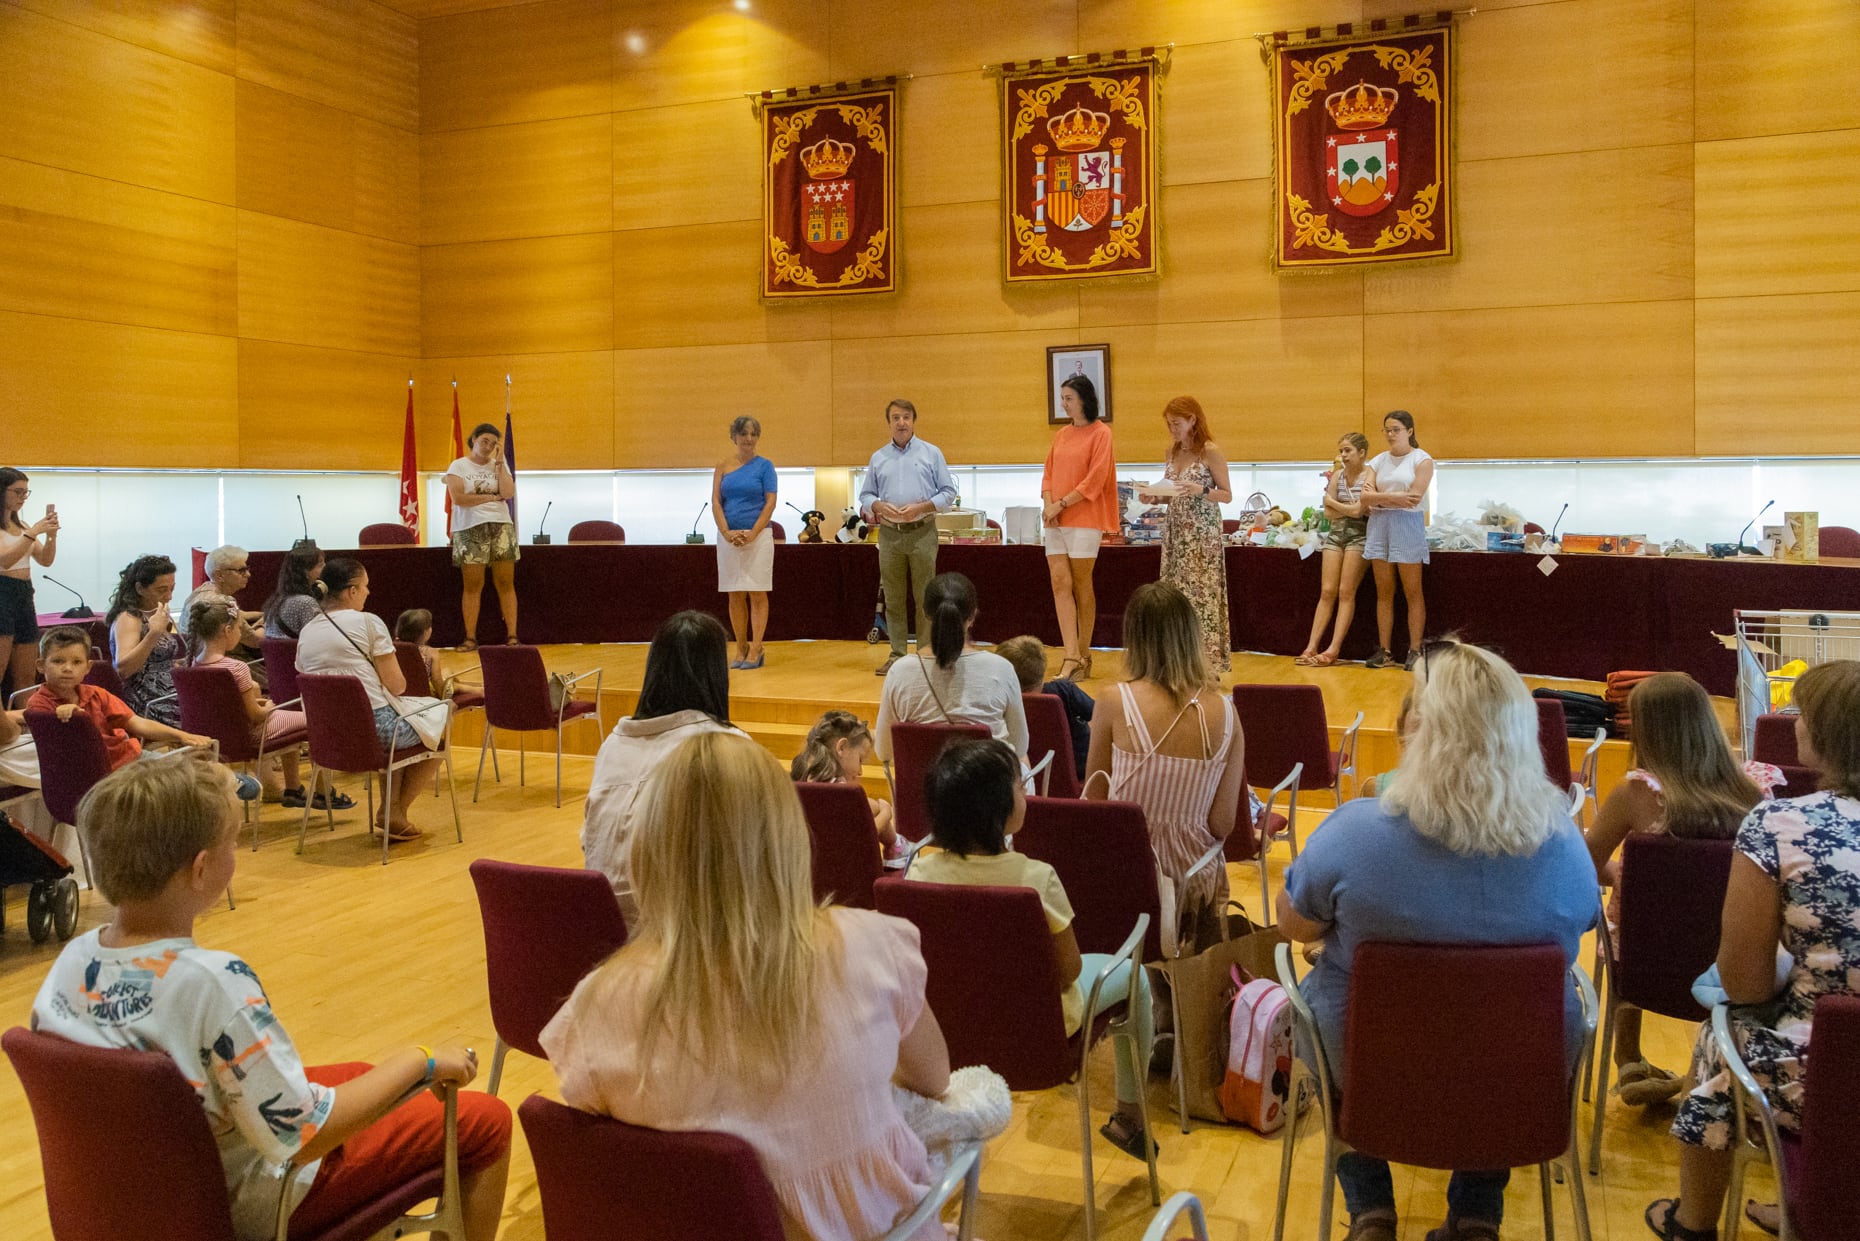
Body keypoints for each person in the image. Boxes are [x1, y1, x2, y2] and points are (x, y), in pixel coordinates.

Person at [30, 753, 510, 1241]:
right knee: (486, 1122)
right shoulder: (213, 982)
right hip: (241, 1198)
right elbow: (302, 1137)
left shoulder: (70, 964)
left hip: (126, 1201)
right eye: (232, 844)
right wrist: (422, 1060)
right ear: (201, 870)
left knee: (362, 1077)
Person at [543, 730, 953, 1241]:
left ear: (648, 846)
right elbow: (935, 1080)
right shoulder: (872, 946)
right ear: (788, 835)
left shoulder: (598, 1001)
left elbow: (604, 1156)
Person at [1275, 640, 1596, 1241]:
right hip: (1520, 1076)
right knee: (1503, 1019)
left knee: (1322, 998)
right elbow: (1580, 928)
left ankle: (1370, 1208)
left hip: (1369, 1069)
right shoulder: (1563, 841)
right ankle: (1478, 1213)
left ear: (1419, 733)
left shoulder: (1354, 832)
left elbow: (1293, 927)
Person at [1645, 660, 1860, 1241]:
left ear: (1830, 736)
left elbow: (1743, 982)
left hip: (1825, 1079)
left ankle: (1693, 1223)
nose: (1795, 725)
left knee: (1722, 1031)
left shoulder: (1782, 822)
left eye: (1804, 715)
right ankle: (1797, 1201)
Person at [907, 737, 1156, 1160]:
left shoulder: (918, 872)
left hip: (950, 1029)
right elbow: (1069, 971)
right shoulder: (1035, 878)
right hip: (1039, 1034)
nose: (1026, 793)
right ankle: (1129, 1116)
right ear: (998, 807)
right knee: (1138, 975)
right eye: (1020, 787)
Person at [1584, 672, 1782, 1106]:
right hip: (1735, 970)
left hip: (1645, 969)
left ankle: (1629, 1060)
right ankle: (1724, 1069)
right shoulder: (1757, 792)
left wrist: (1623, 875)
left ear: (1647, 730)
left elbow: (1584, 863)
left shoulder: (1636, 793)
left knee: (1628, 927)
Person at [1082, 582, 1245, 948]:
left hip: (1126, 878)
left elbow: (1094, 802)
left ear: (1133, 638)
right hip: (1194, 888)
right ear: (1192, 635)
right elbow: (1223, 824)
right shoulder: (1228, 714)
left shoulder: (1112, 701)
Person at [582, 610, 746, 931]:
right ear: (716, 674)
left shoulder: (612, 746)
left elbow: (591, 843)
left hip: (599, 936)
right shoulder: (727, 746)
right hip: (680, 943)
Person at [294, 558, 440, 841]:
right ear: (350, 591)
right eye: (365, 587)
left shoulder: (308, 629)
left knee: (401, 721)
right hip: (375, 731)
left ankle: (392, 810)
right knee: (441, 720)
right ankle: (393, 810)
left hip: (324, 734)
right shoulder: (369, 623)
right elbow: (397, 686)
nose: (368, 593)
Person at [874, 573, 1028, 764]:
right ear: (973, 616)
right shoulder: (1001, 669)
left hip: (925, 792)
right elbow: (1020, 745)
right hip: (989, 790)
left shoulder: (900, 671)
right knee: (1023, 761)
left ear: (926, 614)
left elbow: (884, 752)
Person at [859, 399, 958, 676]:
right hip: (890, 534)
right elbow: (866, 495)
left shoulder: (931, 453)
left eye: (906, 417)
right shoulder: (878, 457)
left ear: (914, 420)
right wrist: (877, 506)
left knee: (925, 595)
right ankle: (898, 654)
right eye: (895, 418)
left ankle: (926, 654)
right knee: (893, 597)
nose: (901, 422)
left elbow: (948, 492)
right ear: (888, 423)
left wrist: (922, 506)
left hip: (922, 531)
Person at [27, 626, 207, 770]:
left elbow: (136, 723)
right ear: (41, 666)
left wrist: (182, 735)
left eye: (76, 662)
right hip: (100, 772)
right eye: (58, 661)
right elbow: (61, 752)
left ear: (88, 667)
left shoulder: (97, 694)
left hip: (132, 758)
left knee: (197, 773)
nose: (67, 668)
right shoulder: (39, 704)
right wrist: (72, 720)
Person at [190, 597, 310, 808]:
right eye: (238, 628)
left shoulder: (193, 664)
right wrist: (270, 706)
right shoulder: (236, 668)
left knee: (287, 716)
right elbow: (256, 716)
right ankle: (316, 791)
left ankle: (293, 788)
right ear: (228, 631)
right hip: (250, 735)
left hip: (215, 735)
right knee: (312, 718)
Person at [1143, 396, 1232, 675]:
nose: (1173, 430)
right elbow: (1173, 494)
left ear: (1193, 420)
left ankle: (1207, 664)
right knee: (1174, 596)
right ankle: (1177, 661)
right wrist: (1154, 497)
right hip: (1175, 533)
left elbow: (1227, 496)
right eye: (1169, 425)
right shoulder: (1171, 452)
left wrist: (1201, 490)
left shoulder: (1209, 452)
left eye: (1177, 424)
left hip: (1201, 534)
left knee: (1201, 597)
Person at [1041, 375, 1118, 682]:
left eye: (1069, 397)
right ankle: (1070, 654)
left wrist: (1061, 504)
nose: (1064, 403)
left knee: (1081, 583)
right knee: (1059, 583)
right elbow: (1047, 474)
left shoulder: (1102, 434)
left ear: (1084, 399)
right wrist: (1049, 505)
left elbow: (1095, 480)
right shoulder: (1061, 435)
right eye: (1063, 398)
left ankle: (1084, 654)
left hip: (1084, 518)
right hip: (1056, 519)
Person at [1361, 410, 1434, 670]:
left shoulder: (1422, 460)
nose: (1391, 435)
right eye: (1387, 430)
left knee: (1412, 591)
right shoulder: (1379, 461)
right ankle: (1385, 650)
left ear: (1409, 431)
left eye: (1396, 430)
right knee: (1384, 591)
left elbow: (1414, 498)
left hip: (1407, 525)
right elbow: (1364, 497)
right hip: (1380, 525)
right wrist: (1395, 499)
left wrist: (1380, 499)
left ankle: (1414, 650)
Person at [1297, 432, 1373, 667]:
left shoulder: (1370, 475)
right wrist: (1346, 508)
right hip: (1336, 535)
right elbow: (1328, 513)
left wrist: (1336, 504)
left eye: (1348, 451)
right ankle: (1311, 646)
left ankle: (1333, 648)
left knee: (1345, 590)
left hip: (1360, 535)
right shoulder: (1338, 476)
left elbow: (1360, 511)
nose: (1343, 455)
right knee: (1327, 590)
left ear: (1362, 453)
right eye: (1341, 451)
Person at [444, 423, 519, 651]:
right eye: (484, 441)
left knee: (505, 582)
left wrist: (499, 466)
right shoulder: (458, 465)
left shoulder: (499, 465)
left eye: (493, 443)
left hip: (501, 526)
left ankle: (513, 635)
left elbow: (507, 493)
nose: (488, 446)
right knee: (473, 584)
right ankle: (470, 638)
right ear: (474, 439)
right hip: (470, 528)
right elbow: (459, 498)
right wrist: (489, 497)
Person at [712, 415, 778, 670]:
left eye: (753, 434)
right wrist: (727, 531)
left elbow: (770, 502)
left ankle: (757, 647)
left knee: (757, 591)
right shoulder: (722, 466)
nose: (749, 439)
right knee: (735, 593)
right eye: (744, 434)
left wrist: (752, 533)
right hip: (729, 537)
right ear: (734, 437)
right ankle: (740, 646)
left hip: (758, 537)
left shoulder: (765, 466)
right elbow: (717, 501)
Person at [790, 709, 897, 859]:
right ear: (841, 747)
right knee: (875, 807)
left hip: (807, 865)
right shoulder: (839, 792)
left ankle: (896, 846)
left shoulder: (802, 775)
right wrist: (886, 813)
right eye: (860, 760)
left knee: (871, 805)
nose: (860, 771)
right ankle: (896, 846)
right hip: (839, 864)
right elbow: (863, 837)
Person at [996, 634, 1093, 779]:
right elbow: (1098, 713)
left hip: (1021, 775)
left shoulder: (997, 700)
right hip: (1078, 773)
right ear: (1042, 669)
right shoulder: (1063, 691)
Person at [107, 554, 186, 726]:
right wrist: (154, 633)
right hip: (148, 698)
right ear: (140, 588)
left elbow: (156, 661)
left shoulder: (156, 613)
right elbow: (123, 669)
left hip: (168, 691)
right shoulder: (130, 618)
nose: (169, 596)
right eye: (161, 590)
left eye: (172, 588)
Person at [0, 467, 58, 701]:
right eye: (18, 492)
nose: (23, 498)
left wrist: (51, 535)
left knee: (26, 674)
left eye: (26, 493)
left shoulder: (22, 526)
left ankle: (26, 724)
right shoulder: (27, 532)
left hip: (24, 594)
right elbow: (5, 560)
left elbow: (45, 560)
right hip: (2, 593)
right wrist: (34, 532)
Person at [181, 546, 267, 684]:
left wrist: (261, 613)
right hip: (226, 669)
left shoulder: (200, 592)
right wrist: (266, 621)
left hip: (198, 664)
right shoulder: (225, 603)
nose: (248, 574)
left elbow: (240, 614)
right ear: (219, 575)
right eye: (241, 570)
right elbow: (256, 641)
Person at [262, 542, 326, 640]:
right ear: (305, 571)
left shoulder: (276, 600)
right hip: (296, 654)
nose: (325, 567)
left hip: (275, 655)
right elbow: (319, 639)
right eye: (320, 565)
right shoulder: (306, 603)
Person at [395, 608, 439, 696]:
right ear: (426, 633)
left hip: (396, 697)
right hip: (423, 699)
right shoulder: (431, 653)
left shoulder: (390, 648)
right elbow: (437, 682)